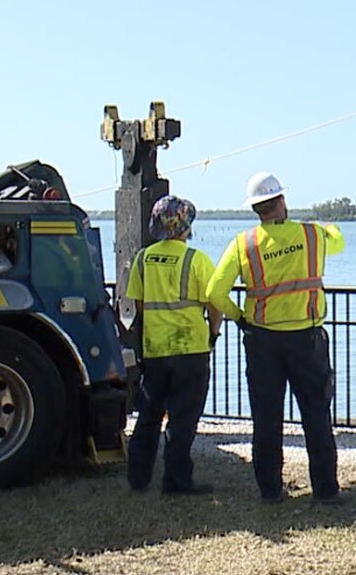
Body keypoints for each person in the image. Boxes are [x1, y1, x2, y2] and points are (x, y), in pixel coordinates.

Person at [206, 171, 345, 504]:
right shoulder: (313, 236)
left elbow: (214, 292)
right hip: (307, 339)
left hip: (262, 341)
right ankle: (325, 490)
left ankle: (270, 491)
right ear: (281, 200)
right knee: (316, 415)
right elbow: (338, 242)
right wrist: (327, 226)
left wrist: (240, 317)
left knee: (266, 419)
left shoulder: (245, 244)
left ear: (255, 209)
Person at [125, 195, 223, 495]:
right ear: (185, 226)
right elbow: (215, 303)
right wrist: (213, 334)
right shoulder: (197, 260)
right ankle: (177, 481)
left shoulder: (143, 258)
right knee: (182, 420)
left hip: (155, 349)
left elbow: (138, 304)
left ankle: (138, 478)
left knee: (149, 415)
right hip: (191, 349)